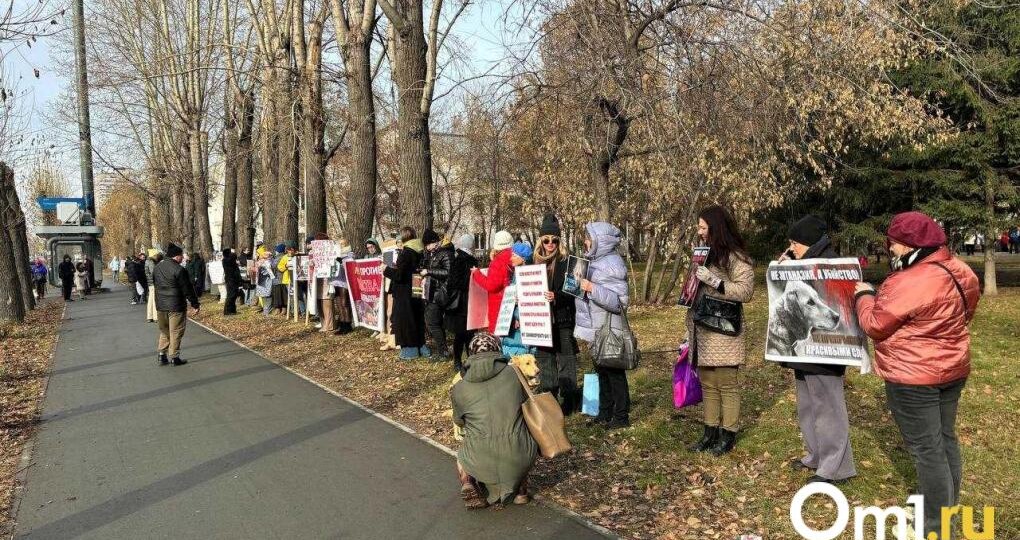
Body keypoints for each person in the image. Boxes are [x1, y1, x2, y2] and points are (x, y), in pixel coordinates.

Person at [854, 211, 979, 538]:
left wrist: (863, 296)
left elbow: (875, 325)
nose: (891, 249)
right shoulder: (962, 270)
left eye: (894, 244)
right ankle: (945, 509)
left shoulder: (907, 281)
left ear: (911, 246)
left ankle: (933, 527)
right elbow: (965, 312)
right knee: (945, 440)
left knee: (927, 451)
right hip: (953, 369)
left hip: (912, 378)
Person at [778, 216, 857, 484]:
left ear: (809, 241)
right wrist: (786, 271)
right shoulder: (802, 264)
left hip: (827, 351)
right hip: (805, 350)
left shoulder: (831, 263)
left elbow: (834, 301)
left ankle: (836, 467)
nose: (791, 248)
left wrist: (795, 270)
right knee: (808, 405)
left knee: (828, 407)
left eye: (795, 243)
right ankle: (816, 455)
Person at [685, 205, 754, 455]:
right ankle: (710, 431)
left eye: (703, 227)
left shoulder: (735, 256)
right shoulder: (702, 254)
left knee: (726, 383)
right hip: (702, 327)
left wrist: (714, 281)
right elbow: (694, 289)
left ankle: (728, 434)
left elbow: (745, 291)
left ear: (716, 228)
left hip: (724, 329)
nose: (699, 232)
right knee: (708, 383)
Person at [452, 332, 537, 509]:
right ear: (498, 349)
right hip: (519, 452)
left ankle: (468, 482)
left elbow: (459, 422)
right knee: (522, 432)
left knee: (461, 456)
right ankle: (521, 491)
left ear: (471, 353)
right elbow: (527, 406)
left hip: (479, 456)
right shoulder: (514, 374)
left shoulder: (459, 387)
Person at [574, 222, 631, 429]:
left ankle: (621, 416)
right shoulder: (592, 261)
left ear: (600, 241)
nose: (585, 242)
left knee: (614, 373)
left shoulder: (613, 264)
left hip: (609, 327)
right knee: (601, 370)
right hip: (596, 327)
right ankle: (605, 411)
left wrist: (592, 288)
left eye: (589, 238)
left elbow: (619, 302)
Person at [533, 214, 579, 415]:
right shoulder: (533, 262)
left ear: (559, 241)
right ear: (540, 241)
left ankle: (569, 399)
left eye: (555, 240)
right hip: (540, 321)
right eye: (546, 240)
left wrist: (556, 296)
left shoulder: (567, 262)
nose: (550, 244)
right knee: (545, 360)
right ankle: (549, 398)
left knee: (566, 359)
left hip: (563, 319)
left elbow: (574, 290)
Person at [382, 227, 429, 360]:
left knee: (405, 318)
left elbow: (400, 275)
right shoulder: (420, 251)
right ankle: (421, 345)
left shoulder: (406, 252)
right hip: (416, 285)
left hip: (404, 290)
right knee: (417, 316)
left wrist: (386, 269)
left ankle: (410, 350)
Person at [154, 242, 201, 366]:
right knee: (176, 331)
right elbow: (187, 289)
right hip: (176, 304)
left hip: (161, 304)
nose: (183, 258)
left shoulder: (157, 267)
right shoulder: (180, 270)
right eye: (182, 255)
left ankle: (161, 355)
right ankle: (174, 357)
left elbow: (155, 284)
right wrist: (195, 304)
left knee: (164, 330)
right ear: (177, 256)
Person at [470, 230, 515, 335]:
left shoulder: (498, 261)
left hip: (499, 306)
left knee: (498, 337)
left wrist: (477, 273)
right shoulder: (515, 257)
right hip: (513, 302)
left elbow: (491, 285)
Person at [445, 234, 478, 373]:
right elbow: (457, 282)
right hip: (466, 302)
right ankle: (467, 360)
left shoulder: (458, 259)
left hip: (461, 304)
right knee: (467, 334)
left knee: (461, 334)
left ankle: (459, 361)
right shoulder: (465, 260)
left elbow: (452, 282)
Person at [422, 229, 454, 360]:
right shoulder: (433, 254)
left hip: (440, 293)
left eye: (428, 244)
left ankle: (443, 352)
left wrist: (429, 271)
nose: (427, 248)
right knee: (436, 323)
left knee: (432, 323)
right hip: (432, 292)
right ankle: (443, 351)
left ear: (434, 242)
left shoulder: (445, 253)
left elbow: (449, 272)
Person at [222, 248, 242, 315]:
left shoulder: (230, 261)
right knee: (231, 295)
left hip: (233, 279)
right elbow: (233, 257)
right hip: (230, 280)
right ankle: (227, 311)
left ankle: (232, 310)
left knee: (234, 295)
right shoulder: (226, 260)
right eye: (230, 252)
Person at [145, 249, 160, 322]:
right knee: (154, 299)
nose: (157, 256)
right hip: (154, 282)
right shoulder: (151, 262)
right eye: (156, 254)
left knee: (151, 299)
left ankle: (150, 316)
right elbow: (154, 272)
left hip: (150, 282)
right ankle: (155, 317)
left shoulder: (147, 261)